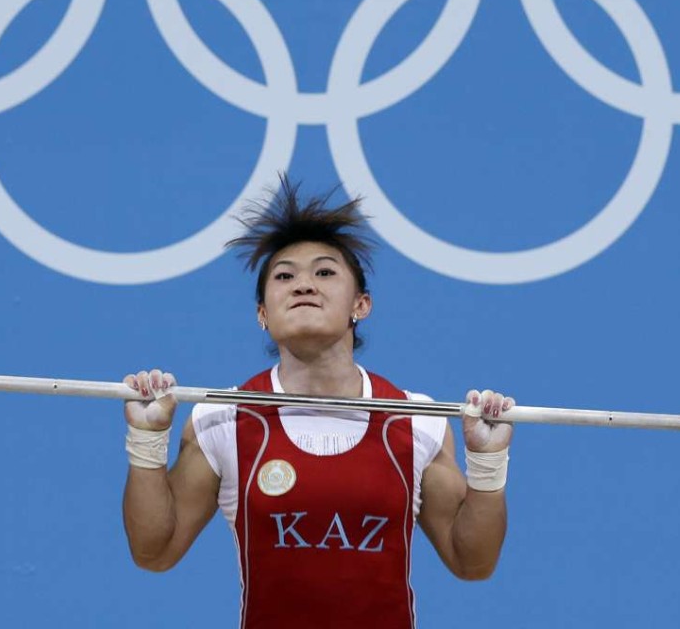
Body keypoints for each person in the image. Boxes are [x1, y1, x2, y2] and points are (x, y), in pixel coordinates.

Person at [122, 177, 514, 628]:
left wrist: (488, 462)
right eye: (284, 276)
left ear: (361, 305)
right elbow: (154, 552)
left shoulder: (415, 419)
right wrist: (147, 439)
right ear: (262, 314)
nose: (303, 285)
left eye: (325, 273)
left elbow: (473, 562)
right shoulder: (223, 418)